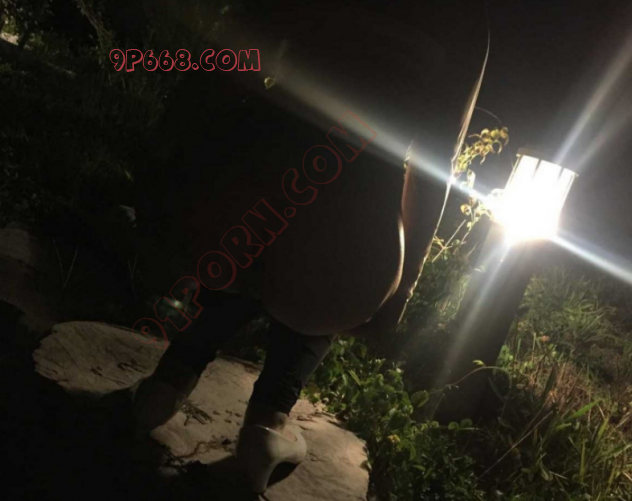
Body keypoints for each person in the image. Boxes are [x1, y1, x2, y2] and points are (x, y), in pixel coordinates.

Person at [130, 0, 487, 493]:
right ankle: (266, 428)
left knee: (258, 238)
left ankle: (164, 386)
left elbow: (233, 60)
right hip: (350, 229)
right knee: (328, 259)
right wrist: (402, 287)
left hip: (246, 189)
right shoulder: (466, 17)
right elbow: (434, 159)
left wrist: (167, 165)